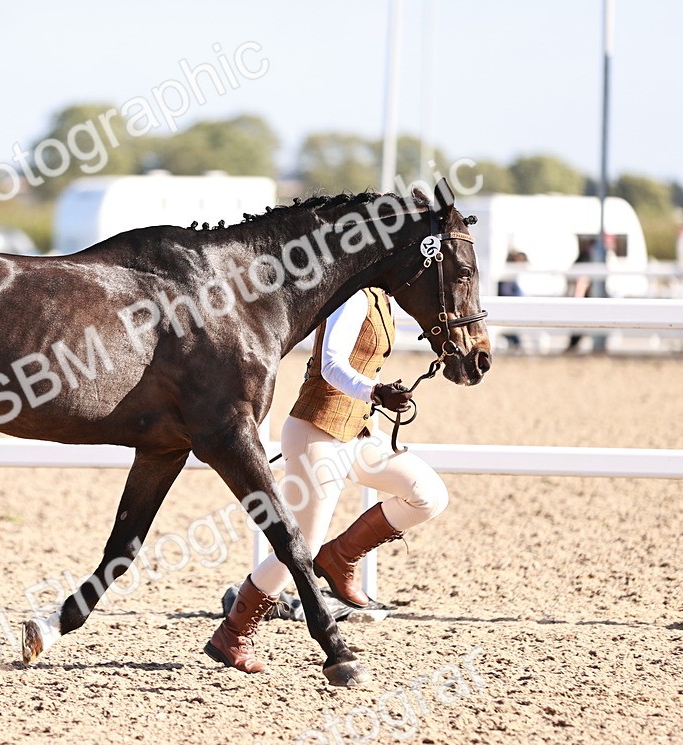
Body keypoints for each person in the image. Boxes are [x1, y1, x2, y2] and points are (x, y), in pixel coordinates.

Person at [205, 287, 450, 673]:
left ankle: (340, 556)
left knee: (428, 495)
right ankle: (232, 633)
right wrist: (375, 390)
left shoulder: (383, 297)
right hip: (316, 433)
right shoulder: (355, 297)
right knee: (297, 550)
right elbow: (331, 364)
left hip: (356, 433)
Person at [564, 240, 609, 354]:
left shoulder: (585, 257)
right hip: (587, 295)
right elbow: (582, 280)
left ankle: (574, 345)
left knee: (580, 323)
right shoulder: (590, 257)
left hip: (586, 295)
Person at [497, 252, 527, 352]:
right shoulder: (507, 277)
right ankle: (516, 343)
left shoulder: (512, 277)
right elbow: (506, 293)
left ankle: (516, 343)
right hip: (508, 307)